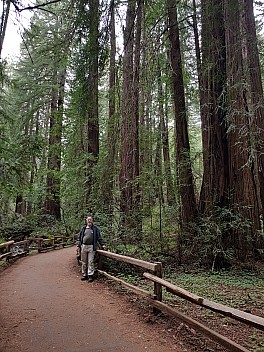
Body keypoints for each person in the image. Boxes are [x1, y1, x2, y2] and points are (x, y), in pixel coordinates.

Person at [77, 216, 106, 282]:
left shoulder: (95, 229)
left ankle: (90, 275)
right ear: (86, 221)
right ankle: (85, 274)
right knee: (84, 261)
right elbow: (79, 238)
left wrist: (103, 244)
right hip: (83, 246)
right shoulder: (83, 228)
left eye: (90, 220)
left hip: (91, 247)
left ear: (92, 221)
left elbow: (99, 237)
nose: (89, 221)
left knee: (90, 261)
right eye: (88, 220)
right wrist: (78, 246)